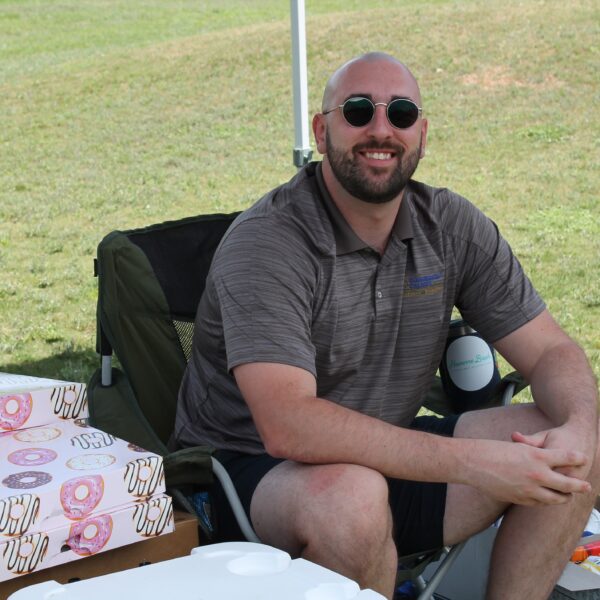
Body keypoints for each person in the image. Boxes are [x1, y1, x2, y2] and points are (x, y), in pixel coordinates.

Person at [173, 52, 599, 599]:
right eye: (358, 111)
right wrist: (477, 464)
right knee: (352, 498)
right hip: (246, 476)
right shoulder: (270, 242)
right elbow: (288, 424)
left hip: (385, 458)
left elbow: (550, 352)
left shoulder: (449, 226)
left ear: (421, 133)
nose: (381, 129)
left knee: (575, 443)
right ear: (321, 131)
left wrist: (579, 428)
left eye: (400, 113)